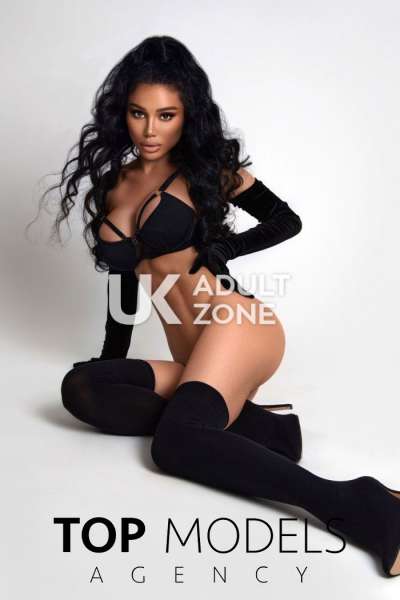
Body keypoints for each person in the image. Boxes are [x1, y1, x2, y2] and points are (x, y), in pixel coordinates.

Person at [39, 35, 400, 577]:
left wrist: (226, 249)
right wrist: (111, 359)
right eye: (138, 113)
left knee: (174, 444)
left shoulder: (205, 170)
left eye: (166, 115)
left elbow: (285, 220)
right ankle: (267, 432)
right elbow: (124, 286)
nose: (150, 130)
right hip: (193, 356)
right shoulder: (115, 187)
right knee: (82, 388)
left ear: (187, 115)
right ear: (122, 113)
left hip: (238, 325)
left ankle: (362, 505)